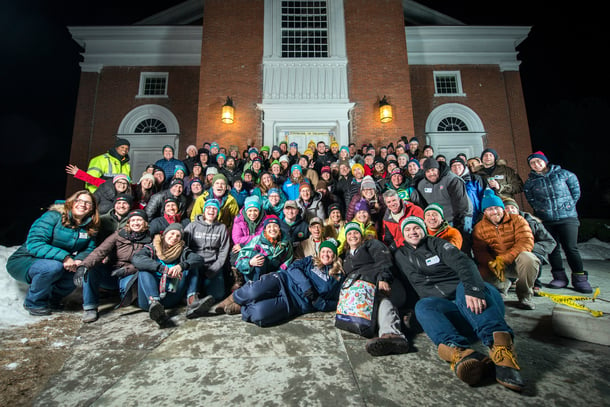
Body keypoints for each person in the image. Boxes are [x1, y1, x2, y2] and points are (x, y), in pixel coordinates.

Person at [394, 216, 524, 391]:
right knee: (422, 306)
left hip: (477, 301)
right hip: (451, 312)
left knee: (464, 288)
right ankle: (461, 354)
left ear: (423, 230)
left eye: (415, 228)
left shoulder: (437, 244)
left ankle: (502, 350)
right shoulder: (400, 254)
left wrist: (472, 290)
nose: (412, 232)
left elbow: (464, 262)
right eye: (408, 230)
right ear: (403, 234)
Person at [7, 190, 100, 315]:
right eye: (79, 200)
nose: (82, 204)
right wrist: (65, 257)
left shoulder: (89, 227)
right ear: (72, 202)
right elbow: (35, 243)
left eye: (88, 203)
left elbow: (89, 249)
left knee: (79, 270)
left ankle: (53, 300)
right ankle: (34, 302)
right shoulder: (53, 216)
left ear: (92, 209)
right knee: (52, 267)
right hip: (26, 260)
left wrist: (79, 259)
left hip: (57, 261)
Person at [215, 239, 344, 325]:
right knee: (253, 291)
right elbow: (293, 267)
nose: (326, 254)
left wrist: (319, 303)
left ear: (334, 255)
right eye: (323, 251)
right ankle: (233, 298)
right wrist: (307, 287)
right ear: (319, 252)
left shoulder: (337, 278)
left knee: (260, 315)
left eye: (329, 252)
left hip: (294, 303)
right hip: (283, 281)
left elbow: (336, 303)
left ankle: (242, 307)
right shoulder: (311, 261)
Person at [523, 151, 592, 293]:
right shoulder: (530, 182)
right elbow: (531, 199)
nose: (536, 164)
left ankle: (580, 278)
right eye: (532, 163)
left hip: (567, 217)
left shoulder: (564, 174)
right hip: (546, 219)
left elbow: (575, 192)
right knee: (553, 249)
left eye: (538, 161)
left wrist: (568, 206)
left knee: (571, 248)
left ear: (545, 161)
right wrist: (541, 210)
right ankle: (559, 277)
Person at [341, 222, 410, 356]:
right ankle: (403, 319)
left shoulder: (372, 244)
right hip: (365, 292)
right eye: (349, 233)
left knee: (381, 298)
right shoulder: (346, 257)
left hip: (386, 285)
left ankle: (393, 335)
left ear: (361, 236)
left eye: (355, 232)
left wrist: (384, 278)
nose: (352, 236)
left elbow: (384, 260)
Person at [131, 223, 215, 326]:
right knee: (143, 270)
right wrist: (161, 269)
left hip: (171, 294)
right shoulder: (152, 247)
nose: (174, 237)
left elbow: (198, 259)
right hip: (148, 301)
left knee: (191, 267)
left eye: (178, 236)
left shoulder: (182, 250)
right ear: (165, 234)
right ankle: (156, 307)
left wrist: (181, 266)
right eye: (172, 233)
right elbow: (136, 259)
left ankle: (193, 303)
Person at [77, 209, 152, 322]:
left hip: (130, 273)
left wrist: (127, 270)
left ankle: (129, 296)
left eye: (139, 220)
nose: (136, 223)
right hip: (112, 271)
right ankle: (90, 308)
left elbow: (148, 262)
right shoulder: (118, 235)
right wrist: (83, 265)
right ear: (129, 223)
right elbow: (100, 251)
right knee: (91, 269)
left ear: (145, 223)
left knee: (134, 283)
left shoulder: (150, 240)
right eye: (133, 220)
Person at [472, 190, 538, 310]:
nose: (494, 212)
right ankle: (501, 287)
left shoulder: (517, 220)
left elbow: (525, 242)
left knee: (529, 259)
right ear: (484, 212)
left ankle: (524, 296)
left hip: (516, 261)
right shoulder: (479, 228)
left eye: (497, 208)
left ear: (502, 209)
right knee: (479, 270)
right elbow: (480, 251)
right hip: (497, 264)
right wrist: (492, 263)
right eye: (489, 209)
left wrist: (503, 259)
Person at [502, 196, 556, 295]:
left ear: (517, 209)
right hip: (509, 254)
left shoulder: (532, 222)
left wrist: (529, 248)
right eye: (507, 208)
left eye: (512, 208)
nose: (510, 210)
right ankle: (510, 280)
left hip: (529, 252)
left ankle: (535, 283)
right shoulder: (499, 224)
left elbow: (550, 241)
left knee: (531, 258)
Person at [184, 199, 231, 301]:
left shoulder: (222, 228)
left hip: (212, 265)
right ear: (204, 211)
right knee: (193, 271)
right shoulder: (192, 226)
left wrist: (213, 269)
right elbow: (184, 247)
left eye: (214, 209)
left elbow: (223, 252)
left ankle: (202, 291)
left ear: (217, 212)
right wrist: (190, 261)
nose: (211, 211)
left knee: (218, 296)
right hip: (195, 264)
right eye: (209, 208)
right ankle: (192, 298)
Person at [413, 159, 472, 235]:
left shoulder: (452, 180)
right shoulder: (422, 184)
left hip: (460, 216)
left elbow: (461, 205)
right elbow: (423, 205)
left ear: (438, 169)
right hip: (439, 220)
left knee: (460, 241)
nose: (431, 173)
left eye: (433, 170)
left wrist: (458, 225)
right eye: (428, 171)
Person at [233, 216, 294, 284]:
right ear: (265, 229)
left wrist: (276, 275)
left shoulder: (285, 243)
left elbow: (287, 261)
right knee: (260, 256)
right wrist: (249, 263)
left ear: (279, 228)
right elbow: (239, 262)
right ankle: (255, 285)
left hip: (274, 275)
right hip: (255, 276)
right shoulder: (257, 240)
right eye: (269, 227)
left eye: (275, 226)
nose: (272, 229)